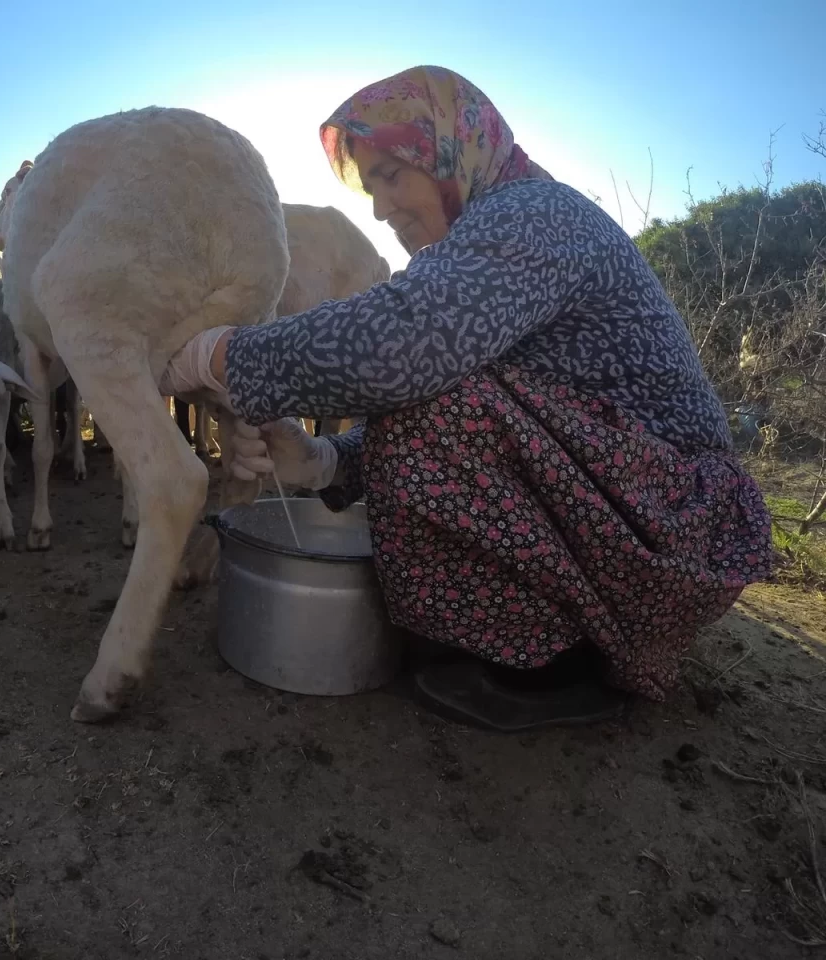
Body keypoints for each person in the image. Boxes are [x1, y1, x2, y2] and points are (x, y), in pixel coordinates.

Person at [160, 65, 773, 732]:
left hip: (683, 533)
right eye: (370, 187)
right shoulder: (496, 235)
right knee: (434, 391)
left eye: (393, 175)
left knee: (428, 391)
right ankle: (537, 635)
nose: (379, 206)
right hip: (652, 523)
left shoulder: (535, 215)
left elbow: (400, 351)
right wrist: (322, 461)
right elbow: (494, 406)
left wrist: (217, 355)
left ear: (450, 151)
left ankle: (549, 668)